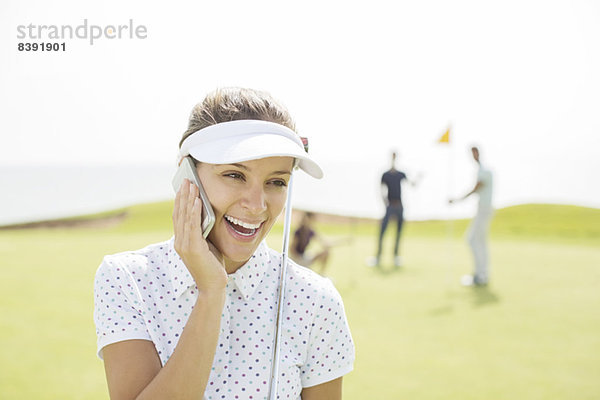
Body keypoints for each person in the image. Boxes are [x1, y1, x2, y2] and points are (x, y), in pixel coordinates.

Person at [93, 87, 355, 399]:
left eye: (276, 182)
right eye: (234, 175)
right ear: (187, 177)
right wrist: (211, 292)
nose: (257, 205)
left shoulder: (315, 300)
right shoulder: (127, 279)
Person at [449, 146, 494, 286]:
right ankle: (482, 274)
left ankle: (480, 275)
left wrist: (457, 200)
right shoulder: (482, 170)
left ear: (478, 153)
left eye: (474, 152)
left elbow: (476, 188)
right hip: (483, 208)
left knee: (472, 240)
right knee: (478, 241)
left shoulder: (484, 171)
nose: (473, 155)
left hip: (484, 209)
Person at [369, 151, 416, 268]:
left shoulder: (401, 174)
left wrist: (419, 177)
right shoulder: (385, 174)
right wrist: (385, 202)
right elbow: (381, 189)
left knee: (398, 232)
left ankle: (395, 257)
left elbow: (412, 184)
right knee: (382, 232)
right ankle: (378, 257)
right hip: (390, 206)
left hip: (400, 206)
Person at [290, 212, 331, 276]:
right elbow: (292, 249)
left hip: (304, 257)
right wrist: (300, 261)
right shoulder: (298, 231)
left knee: (326, 253)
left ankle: (321, 274)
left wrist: (343, 241)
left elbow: (324, 243)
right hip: (296, 259)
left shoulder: (311, 231)